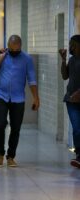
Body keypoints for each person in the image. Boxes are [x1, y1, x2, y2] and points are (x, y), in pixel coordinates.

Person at [0, 35, 40, 168]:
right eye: (11, 49)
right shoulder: (1, 55)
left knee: (16, 128)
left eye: (17, 50)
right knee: (0, 125)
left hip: (18, 98)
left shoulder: (26, 59)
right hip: (1, 96)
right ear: (8, 46)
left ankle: (11, 156)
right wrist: (0, 59)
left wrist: (36, 97)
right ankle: (0, 155)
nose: (14, 52)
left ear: (20, 47)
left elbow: (32, 79)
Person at [59, 35, 80, 168]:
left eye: (73, 44)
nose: (70, 47)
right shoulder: (72, 60)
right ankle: (79, 155)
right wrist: (63, 60)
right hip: (71, 100)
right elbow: (65, 76)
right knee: (77, 128)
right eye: (70, 44)